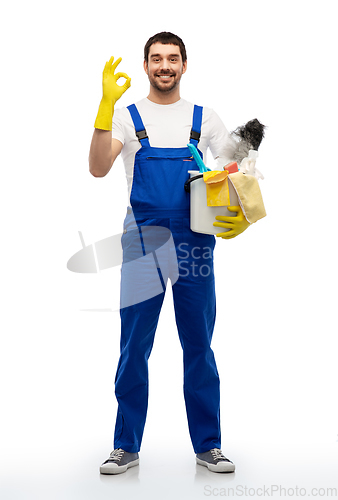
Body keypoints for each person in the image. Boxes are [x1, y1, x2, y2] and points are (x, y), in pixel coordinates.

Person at [89, 32, 249, 475]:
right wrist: (104, 109)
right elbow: (99, 167)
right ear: (145, 66)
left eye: (172, 59)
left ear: (184, 65)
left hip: (196, 240)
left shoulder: (205, 118)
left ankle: (209, 445)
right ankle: (125, 446)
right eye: (156, 59)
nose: (164, 66)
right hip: (142, 242)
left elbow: (239, 169)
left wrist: (239, 200)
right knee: (133, 346)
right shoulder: (127, 115)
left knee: (198, 345)